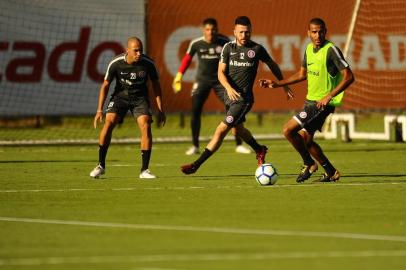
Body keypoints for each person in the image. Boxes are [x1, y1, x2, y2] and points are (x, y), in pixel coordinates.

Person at [181, 16, 293, 175]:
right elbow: (220, 73)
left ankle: (196, 165)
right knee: (239, 130)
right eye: (240, 32)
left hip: (243, 100)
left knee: (220, 130)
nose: (243, 36)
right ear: (234, 32)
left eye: (247, 32)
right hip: (230, 98)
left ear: (251, 32)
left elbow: (272, 65)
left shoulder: (257, 49)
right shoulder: (228, 48)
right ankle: (259, 149)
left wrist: (284, 85)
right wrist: (228, 88)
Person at [259, 17, 354, 183]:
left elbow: (349, 77)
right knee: (306, 141)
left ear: (326, 31)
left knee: (288, 130)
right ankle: (331, 172)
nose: (318, 35)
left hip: (322, 104)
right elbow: (302, 74)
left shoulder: (331, 50)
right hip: (310, 101)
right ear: (308, 33)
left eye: (321, 31)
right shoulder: (309, 49)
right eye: (314, 32)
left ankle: (309, 164)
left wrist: (329, 96)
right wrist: (277, 84)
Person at [172, 18, 252, 156]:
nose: (211, 32)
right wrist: (179, 76)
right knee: (195, 110)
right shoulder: (196, 43)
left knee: (233, 106)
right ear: (203, 30)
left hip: (221, 82)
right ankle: (194, 145)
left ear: (217, 30)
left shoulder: (224, 41)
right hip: (202, 81)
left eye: (213, 29)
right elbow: (187, 59)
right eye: (208, 30)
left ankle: (239, 144)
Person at [90, 37, 166, 179]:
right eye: (136, 51)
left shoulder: (149, 64)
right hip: (120, 96)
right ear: (127, 50)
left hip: (140, 98)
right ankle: (100, 165)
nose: (139, 54)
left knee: (146, 124)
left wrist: (160, 109)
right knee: (109, 121)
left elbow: (156, 86)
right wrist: (99, 110)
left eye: (141, 51)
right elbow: (105, 85)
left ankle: (144, 170)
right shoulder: (116, 63)